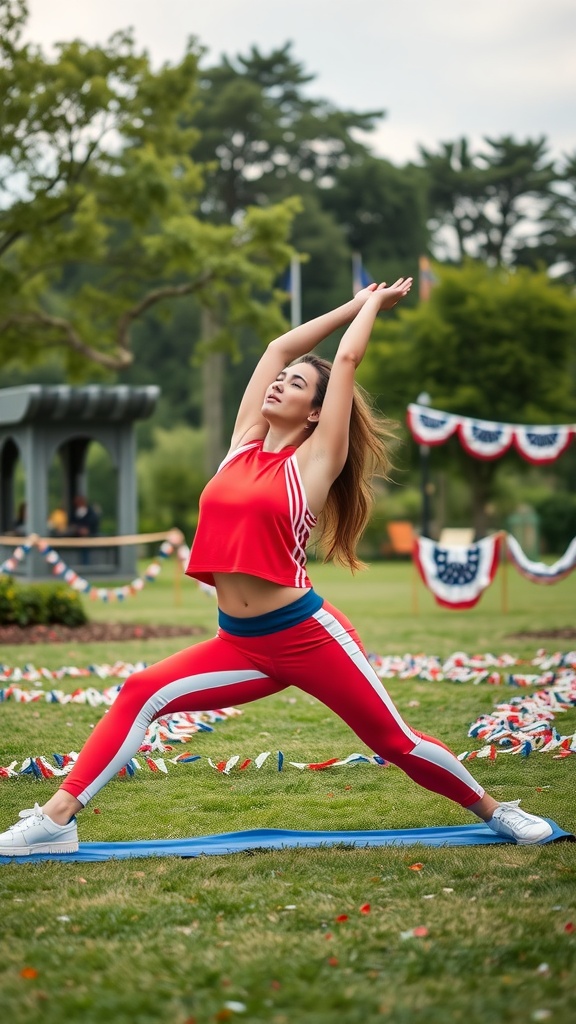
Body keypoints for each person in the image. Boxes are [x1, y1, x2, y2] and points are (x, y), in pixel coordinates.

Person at [0, 278, 553, 855]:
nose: (278, 383)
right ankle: (57, 819)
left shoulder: (316, 461)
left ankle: (499, 812)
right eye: (280, 381)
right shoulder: (242, 444)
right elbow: (277, 350)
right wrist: (345, 303)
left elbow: (347, 357)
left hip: (307, 637)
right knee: (141, 691)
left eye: (294, 386)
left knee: (394, 741)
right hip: (238, 643)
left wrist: (369, 309)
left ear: (316, 413)